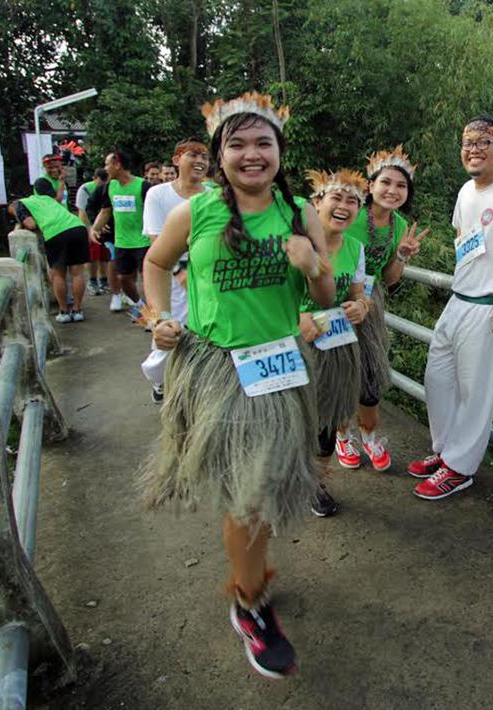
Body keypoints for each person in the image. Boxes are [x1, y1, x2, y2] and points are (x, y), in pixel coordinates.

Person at [140, 92, 335, 679]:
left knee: (264, 483)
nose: (252, 155)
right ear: (220, 155)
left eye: (263, 144)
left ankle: (250, 585)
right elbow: (154, 264)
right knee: (246, 494)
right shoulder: (193, 213)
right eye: (238, 144)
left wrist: (312, 266)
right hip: (212, 367)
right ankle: (250, 601)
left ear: (280, 152)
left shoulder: (301, 214)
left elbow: (324, 299)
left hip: (278, 365)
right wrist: (158, 318)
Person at [409, 115, 493, 501]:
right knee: (438, 381)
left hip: (492, 307)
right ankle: (445, 451)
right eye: (467, 143)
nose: (473, 149)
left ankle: (461, 468)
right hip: (459, 299)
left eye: (483, 142)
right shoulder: (466, 193)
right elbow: (463, 241)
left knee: (477, 393)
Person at [340, 146, 426, 471]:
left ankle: (370, 435)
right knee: (339, 372)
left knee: (371, 374)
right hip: (337, 300)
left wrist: (402, 254)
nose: (393, 191)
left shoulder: (400, 225)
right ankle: (342, 435)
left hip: (370, 303)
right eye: (386, 183)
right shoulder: (351, 214)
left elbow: (389, 280)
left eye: (401, 186)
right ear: (370, 185)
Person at [299, 169, 371, 516]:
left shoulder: (355, 248)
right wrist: (296, 317)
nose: (344, 206)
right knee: (290, 419)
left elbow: (359, 294)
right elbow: (264, 294)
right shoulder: (294, 242)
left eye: (352, 201)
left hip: (335, 348)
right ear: (317, 203)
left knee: (327, 423)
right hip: (291, 346)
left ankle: (313, 483)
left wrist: (359, 306)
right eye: (336, 198)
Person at [139, 139, 212, 403]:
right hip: (171, 278)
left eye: (205, 156)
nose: (201, 161)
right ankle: (161, 379)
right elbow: (156, 245)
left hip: (207, 278)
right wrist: (180, 270)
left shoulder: (213, 194)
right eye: (193, 154)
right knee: (170, 331)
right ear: (175, 159)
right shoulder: (158, 195)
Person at [9, 193, 91, 322]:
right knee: (77, 273)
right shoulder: (44, 198)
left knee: (58, 274)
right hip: (77, 227)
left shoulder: (20, 205)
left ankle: (63, 311)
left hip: (55, 232)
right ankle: (77, 310)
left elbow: (30, 224)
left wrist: (21, 222)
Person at [89, 149, 151, 312]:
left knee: (149, 279)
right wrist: (94, 229)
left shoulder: (143, 186)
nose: (105, 168)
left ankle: (155, 313)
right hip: (121, 242)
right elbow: (105, 211)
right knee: (123, 278)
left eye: (107, 164)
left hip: (144, 241)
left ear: (117, 165)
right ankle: (139, 305)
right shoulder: (109, 187)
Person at [76, 168, 110, 295]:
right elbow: (82, 212)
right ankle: (92, 281)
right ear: (94, 178)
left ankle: (104, 280)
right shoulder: (85, 189)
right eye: (100, 183)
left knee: (104, 254)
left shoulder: (108, 187)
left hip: (104, 225)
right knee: (92, 255)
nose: (102, 186)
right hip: (90, 226)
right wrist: (91, 229)